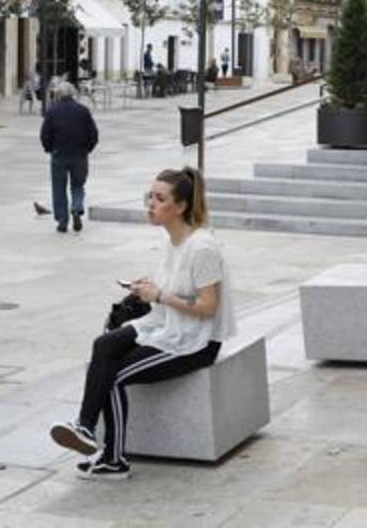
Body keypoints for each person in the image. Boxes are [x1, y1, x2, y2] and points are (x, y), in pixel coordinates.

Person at [50, 167, 236, 480]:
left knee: (115, 374)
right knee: (104, 344)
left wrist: (160, 295)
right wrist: (146, 289)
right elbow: (174, 290)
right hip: (166, 325)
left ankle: (113, 459)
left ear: (180, 207)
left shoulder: (202, 248)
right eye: (150, 196)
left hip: (196, 341)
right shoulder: (169, 242)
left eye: (159, 198)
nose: (151, 203)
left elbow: (208, 307)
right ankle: (84, 426)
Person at [40, 82, 99, 233]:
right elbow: (93, 134)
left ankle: (62, 220)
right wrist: (87, 149)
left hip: (59, 154)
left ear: (58, 95)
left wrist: (49, 149)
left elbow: (45, 134)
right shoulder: (83, 111)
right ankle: (76, 207)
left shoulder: (52, 112)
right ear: (73, 94)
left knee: (59, 188)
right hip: (79, 154)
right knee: (78, 185)